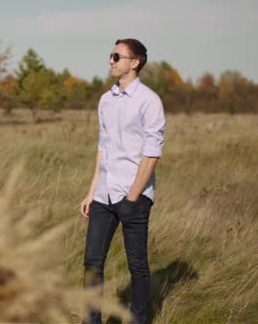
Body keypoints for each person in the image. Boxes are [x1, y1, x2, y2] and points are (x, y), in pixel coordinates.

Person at [80, 39, 166, 324]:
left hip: (134, 196)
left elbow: (151, 154)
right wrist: (91, 192)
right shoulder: (105, 100)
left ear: (136, 61)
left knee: (137, 267)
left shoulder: (149, 101)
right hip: (103, 196)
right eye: (111, 55)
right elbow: (102, 149)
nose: (111, 61)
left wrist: (133, 198)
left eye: (117, 56)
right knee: (92, 263)